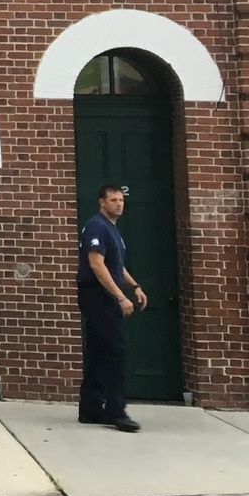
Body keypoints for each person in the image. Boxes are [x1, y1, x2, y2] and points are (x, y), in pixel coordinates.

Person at [78, 183, 148, 431]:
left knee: (98, 351)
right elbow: (97, 265)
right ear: (102, 202)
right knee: (116, 350)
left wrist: (135, 286)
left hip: (106, 295)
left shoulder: (113, 231)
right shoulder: (97, 226)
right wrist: (120, 297)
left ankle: (91, 408)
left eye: (121, 200)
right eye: (113, 200)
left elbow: (116, 266)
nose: (119, 204)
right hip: (98, 296)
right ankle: (116, 411)